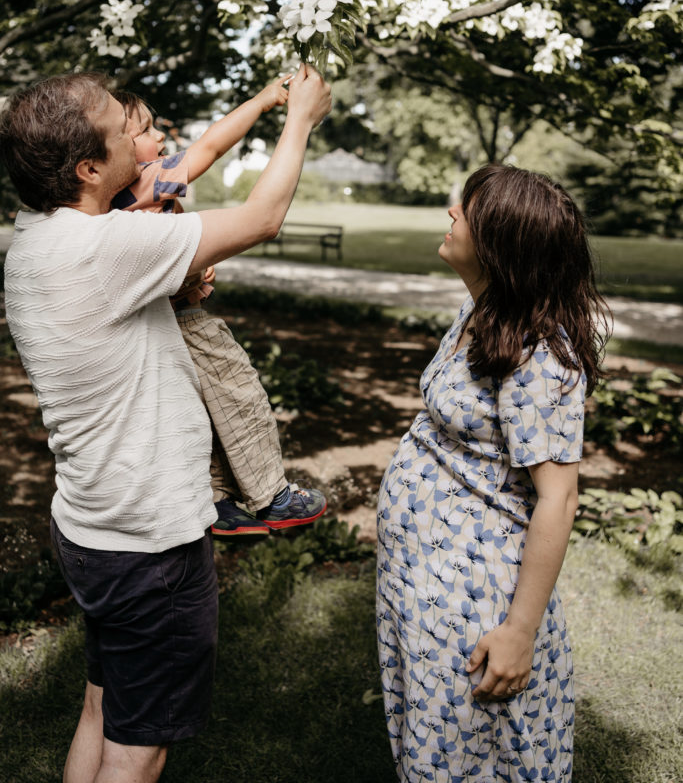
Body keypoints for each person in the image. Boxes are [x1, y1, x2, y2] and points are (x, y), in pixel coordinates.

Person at [0, 65, 331, 783]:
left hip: (91, 528)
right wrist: (300, 117)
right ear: (89, 169)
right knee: (139, 748)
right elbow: (261, 218)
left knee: (103, 710)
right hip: (150, 545)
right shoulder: (104, 248)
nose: (136, 135)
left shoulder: (37, 237)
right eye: (120, 131)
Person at [376, 164, 611, 783]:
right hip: (425, 579)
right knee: (434, 745)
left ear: (502, 245)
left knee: (478, 753)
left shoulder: (541, 356)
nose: (452, 212)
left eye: (468, 209)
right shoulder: (481, 312)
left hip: (479, 596)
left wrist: (519, 632)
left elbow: (559, 500)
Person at [111, 83, 326, 537]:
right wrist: (263, 101)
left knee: (202, 409)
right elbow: (208, 147)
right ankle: (273, 497)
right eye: (145, 130)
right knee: (241, 394)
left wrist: (194, 264)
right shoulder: (142, 180)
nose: (160, 136)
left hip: (159, 325)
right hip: (186, 321)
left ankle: (218, 501)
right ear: (114, 148)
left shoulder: (110, 205)